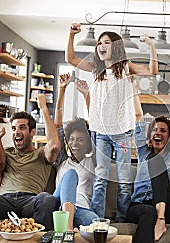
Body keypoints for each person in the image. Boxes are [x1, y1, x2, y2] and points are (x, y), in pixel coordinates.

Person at [66, 24, 158, 221]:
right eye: (99, 43)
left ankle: (122, 219)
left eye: (107, 42)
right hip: (100, 132)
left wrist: (151, 45)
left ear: (115, 47)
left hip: (122, 132)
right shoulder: (96, 68)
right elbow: (70, 59)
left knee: (124, 181)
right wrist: (72, 35)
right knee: (100, 179)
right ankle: (97, 220)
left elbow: (152, 70)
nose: (101, 46)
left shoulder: (126, 67)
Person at [0, 94, 61, 230]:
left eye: (22, 128)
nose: (16, 132)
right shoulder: (5, 152)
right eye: (14, 128)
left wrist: (43, 108)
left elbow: (55, 145)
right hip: (4, 201)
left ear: (32, 132)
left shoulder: (41, 154)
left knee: (47, 199)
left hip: (30, 201)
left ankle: (40, 239)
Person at [52, 73, 98, 230]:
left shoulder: (92, 162)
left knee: (97, 224)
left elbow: (95, 127)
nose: (75, 143)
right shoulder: (62, 159)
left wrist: (87, 96)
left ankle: (69, 230)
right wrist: (62, 89)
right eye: (71, 139)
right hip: (58, 207)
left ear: (88, 144)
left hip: (82, 210)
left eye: (80, 140)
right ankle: (69, 229)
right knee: (71, 174)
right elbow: (57, 125)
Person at [126, 116, 170, 242]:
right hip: (140, 205)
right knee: (149, 212)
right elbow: (138, 119)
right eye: (154, 130)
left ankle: (160, 219)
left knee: (157, 162)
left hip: (168, 209)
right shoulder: (143, 153)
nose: (157, 132)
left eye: (163, 130)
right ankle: (159, 220)